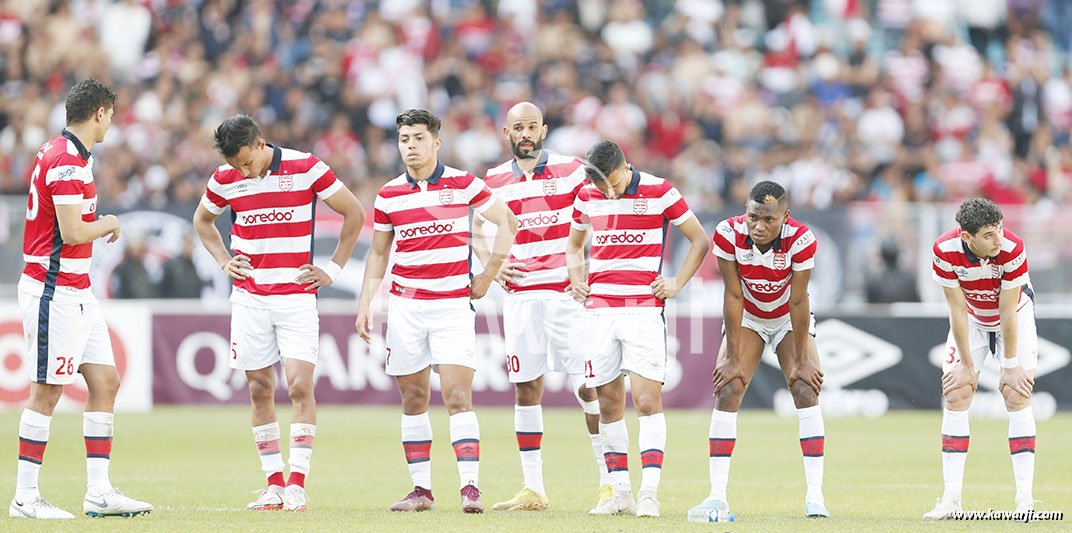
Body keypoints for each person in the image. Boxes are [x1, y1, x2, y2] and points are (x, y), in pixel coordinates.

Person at [192, 114, 365, 512]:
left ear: (260, 142)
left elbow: (354, 213)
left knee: (300, 384)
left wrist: (333, 269)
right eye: (235, 165)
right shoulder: (225, 178)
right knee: (258, 388)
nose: (242, 171)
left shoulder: (306, 167)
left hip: (296, 298)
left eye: (246, 162)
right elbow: (202, 221)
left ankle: (297, 484)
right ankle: (273, 484)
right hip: (249, 298)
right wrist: (223, 260)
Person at [355, 109, 517, 514]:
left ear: (436, 142)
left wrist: (488, 274)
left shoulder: (463, 183)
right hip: (406, 308)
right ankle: (421, 490)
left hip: (451, 307)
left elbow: (507, 221)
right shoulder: (389, 193)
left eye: (419, 138)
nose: (411, 146)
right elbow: (378, 252)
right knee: (413, 398)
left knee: (458, 396)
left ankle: (470, 488)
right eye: (404, 139)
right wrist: (365, 304)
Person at [11, 78, 152, 519]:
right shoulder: (69, 162)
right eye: (111, 114)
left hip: (76, 290)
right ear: (100, 114)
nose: (112, 121)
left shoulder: (61, 151)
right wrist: (108, 222)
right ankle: (25, 497)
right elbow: (72, 232)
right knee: (48, 391)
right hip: (53, 290)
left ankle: (99, 491)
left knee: (106, 381)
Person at [472, 102, 608, 511]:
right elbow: (475, 226)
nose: (525, 133)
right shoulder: (494, 178)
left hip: (568, 298)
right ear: (507, 133)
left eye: (532, 126)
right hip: (521, 298)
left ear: (544, 130)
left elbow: (599, 216)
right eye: (518, 127)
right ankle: (533, 489)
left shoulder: (571, 169)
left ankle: (609, 481)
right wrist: (492, 268)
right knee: (526, 388)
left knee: (589, 386)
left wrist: (589, 272)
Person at [565, 140, 710, 517]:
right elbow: (574, 245)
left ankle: (649, 493)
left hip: (643, 312)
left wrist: (677, 282)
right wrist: (577, 278)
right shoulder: (585, 194)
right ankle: (621, 493)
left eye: (613, 183)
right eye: (602, 187)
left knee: (647, 401)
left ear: (626, 166)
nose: (609, 192)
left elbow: (700, 239)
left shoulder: (660, 191)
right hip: (598, 313)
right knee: (609, 403)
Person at [689, 180, 830, 521]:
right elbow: (733, 296)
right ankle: (717, 496)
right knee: (728, 389)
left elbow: (798, 300)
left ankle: (815, 497)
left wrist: (801, 360)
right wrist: (733, 357)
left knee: (804, 389)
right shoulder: (726, 233)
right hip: (749, 316)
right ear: (745, 212)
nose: (759, 226)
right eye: (754, 216)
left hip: (786, 316)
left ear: (785, 217)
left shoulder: (802, 240)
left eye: (769, 219)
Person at [924, 198, 1038, 520]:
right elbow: (957, 308)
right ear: (967, 238)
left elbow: (1007, 309)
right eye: (989, 235)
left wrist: (1011, 365)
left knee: (1017, 394)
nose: (998, 239)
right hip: (972, 319)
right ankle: (951, 500)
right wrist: (967, 365)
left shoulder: (1013, 249)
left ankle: (1025, 502)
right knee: (957, 393)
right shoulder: (944, 250)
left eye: (1000, 229)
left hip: (1014, 316)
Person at [158, 232, 206, 298]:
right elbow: (161, 289)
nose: (190, 248)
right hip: (174, 306)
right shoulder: (171, 265)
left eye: (192, 244)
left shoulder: (193, 268)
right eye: (188, 244)